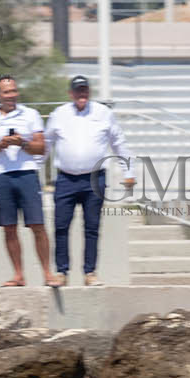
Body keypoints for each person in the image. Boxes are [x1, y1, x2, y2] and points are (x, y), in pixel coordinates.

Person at [45, 75, 136, 285]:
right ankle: (61, 272)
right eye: (78, 91)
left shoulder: (103, 113)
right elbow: (47, 143)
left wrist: (128, 172)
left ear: (89, 92)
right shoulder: (59, 114)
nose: (82, 95)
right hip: (66, 179)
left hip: (95, 179)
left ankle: (90, 273)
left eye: (85, 90)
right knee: (60, 226)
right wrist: (34, 167)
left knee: (92, 227)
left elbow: (118, 143)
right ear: (71, 94)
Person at [0, 75, 63, 287]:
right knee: (9, 227)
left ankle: (47, 274)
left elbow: (41, 147)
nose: (11, 95)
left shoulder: (30, 114)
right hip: (0, 175)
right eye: (6, 92)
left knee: (37, 225)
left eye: (14, 91)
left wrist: (22, 142)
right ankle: (18, 275)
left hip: (26, 173)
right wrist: (1, 145)